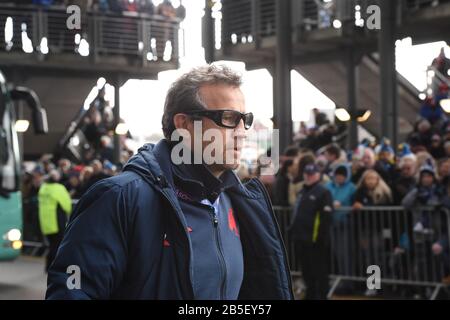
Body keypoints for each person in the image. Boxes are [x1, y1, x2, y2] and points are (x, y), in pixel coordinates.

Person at [46, 65, 293, 300]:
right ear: (184, 125)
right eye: (228, 118)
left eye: (244, 119)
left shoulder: (238, 201)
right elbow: (73, 289)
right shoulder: (119, 198)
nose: (242, 131)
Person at [289, 163, 333, 300]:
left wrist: (321, 237)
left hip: (315, 239)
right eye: (307, 174)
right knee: (307, 270)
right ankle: (311, 293)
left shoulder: (323, 192)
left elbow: (326, 217)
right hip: (301, 237)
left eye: (312, 174)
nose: (309, 176)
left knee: (319, 270)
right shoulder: (302, 192)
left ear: (318, 175)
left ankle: (321, 295)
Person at [38, 170, 72, 272]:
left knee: (52, 245)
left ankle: (48, 266)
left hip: (46, 223)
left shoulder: (43, 188)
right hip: (57, 222)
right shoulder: (59, 188)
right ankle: (53, 267)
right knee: (57, 245)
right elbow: (67, 205)